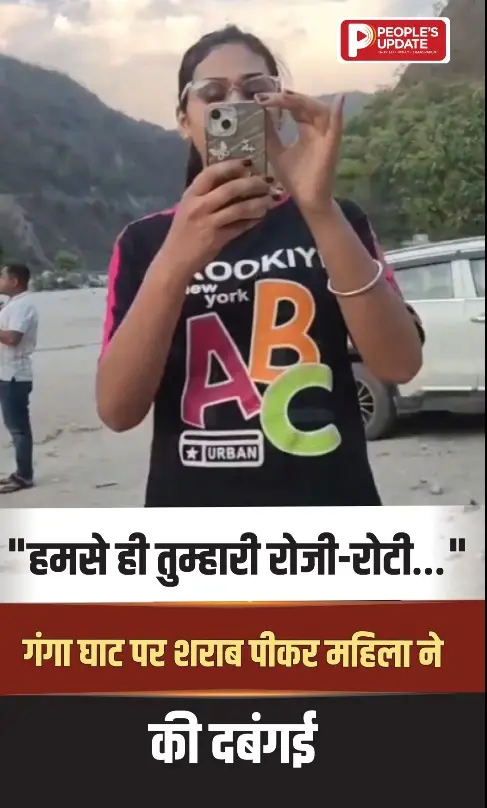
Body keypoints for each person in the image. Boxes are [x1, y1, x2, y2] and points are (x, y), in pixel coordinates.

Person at [97, 26, 424, 508]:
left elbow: (399, 364)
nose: (237, 104)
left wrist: (319, 210)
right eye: (212, 95)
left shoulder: (338, 219)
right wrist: (174, 262)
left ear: (280, 109)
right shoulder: (144, 242)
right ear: (184, 121)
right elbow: (117, 411)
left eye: (256, 91)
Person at [0, 263, 38, 493]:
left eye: (2, 277)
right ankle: (20, 473)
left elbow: (13, 338)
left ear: (14, 281)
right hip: (6, 372)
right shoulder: (12, 304)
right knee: (14, 426)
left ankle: (24, 476)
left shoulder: (23, 305)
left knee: (18, 429)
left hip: (15, 375)